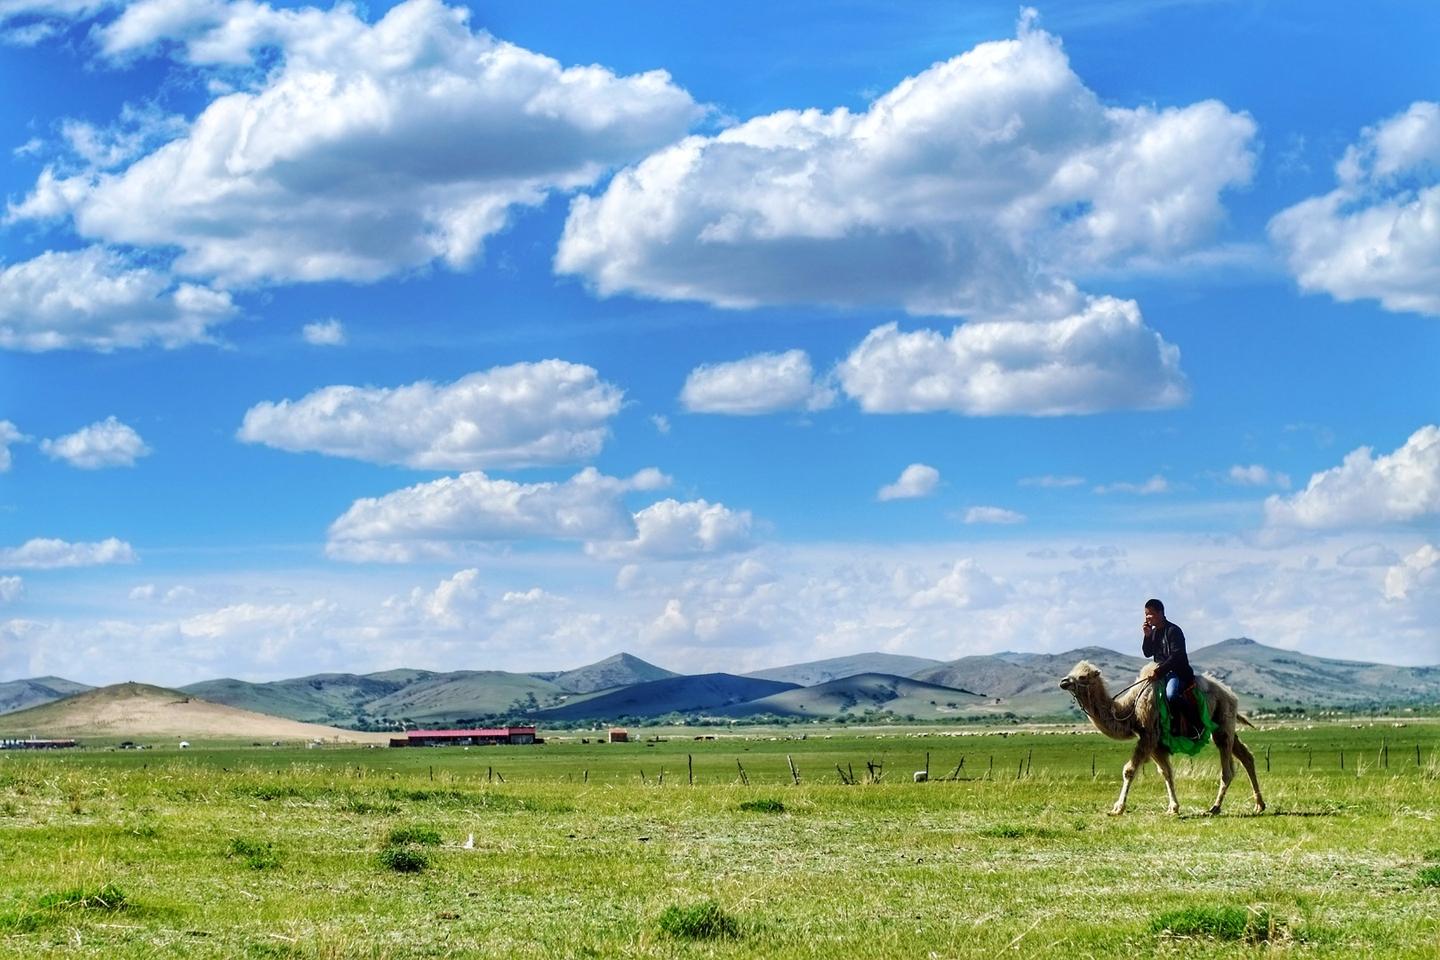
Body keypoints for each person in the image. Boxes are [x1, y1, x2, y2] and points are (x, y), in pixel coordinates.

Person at [1142, 599, 1196, 736]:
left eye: (1151, 614)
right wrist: (1147, 636)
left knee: (1171, 695)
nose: (1148, 617)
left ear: (1160, 613)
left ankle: (1193, 725)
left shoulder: (1174, 631)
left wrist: (1158, 672)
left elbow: (1176, 656)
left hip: (1177, 672)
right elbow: (1147, 653)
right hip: (1161, 673)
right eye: (1146, 614)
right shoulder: (1153, 633)